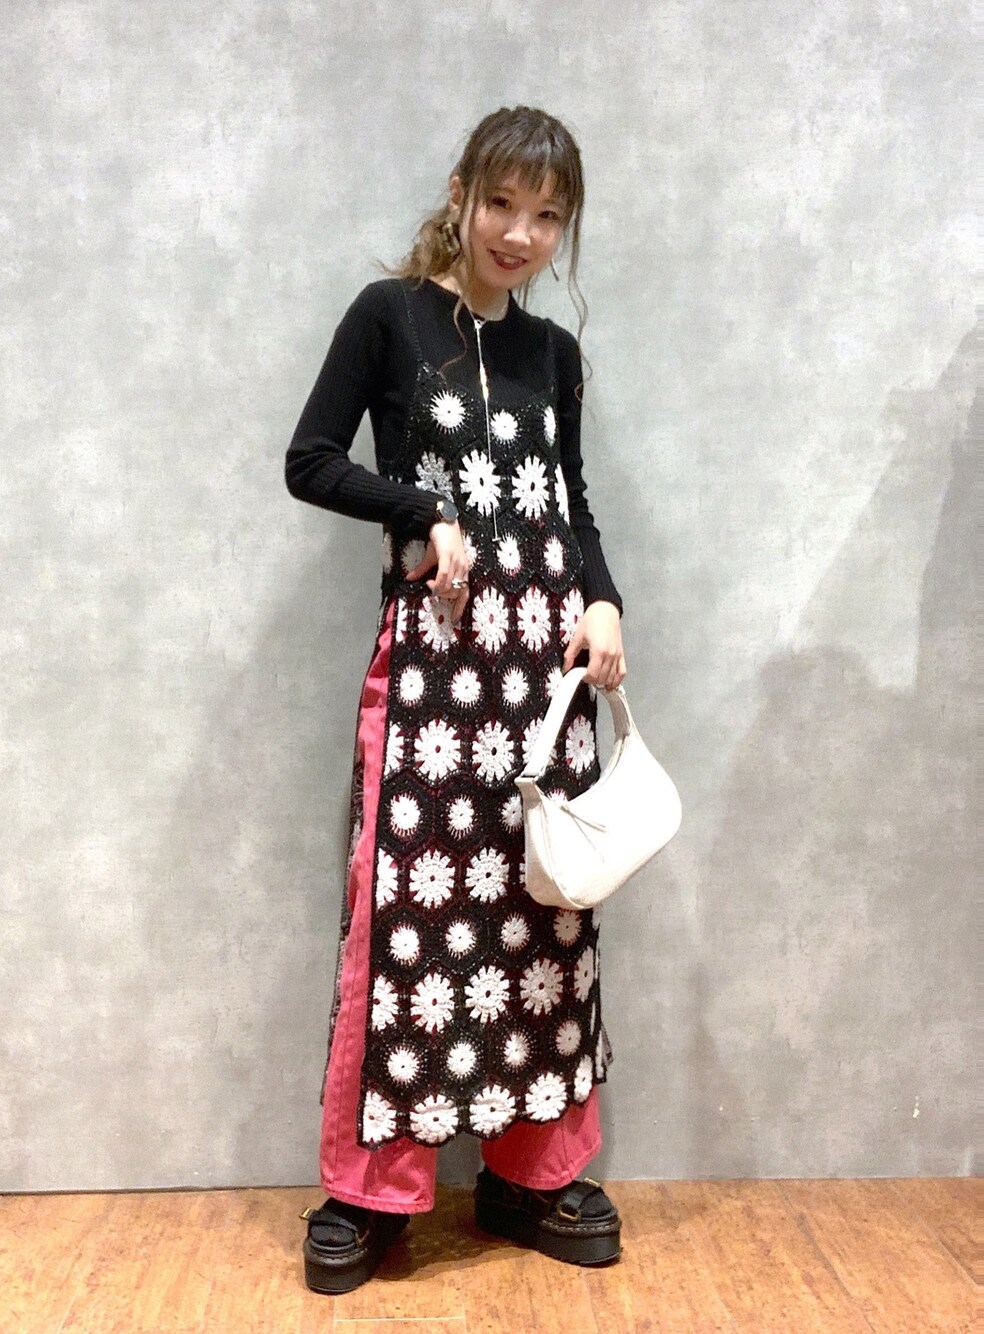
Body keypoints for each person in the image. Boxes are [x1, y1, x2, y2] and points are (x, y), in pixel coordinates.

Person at [285, 105, 627, 1294]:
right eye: (502, 203)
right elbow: (310, 458)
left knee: (543, 917)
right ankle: (372, 1191)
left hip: (542, 678)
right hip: (433, 673)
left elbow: (569, 500)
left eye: (546, 216)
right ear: (461, 192)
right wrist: (420, 513)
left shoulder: (555, 355)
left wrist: (602, 600)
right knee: (409, 919)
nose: (518, 233)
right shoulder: (387, 317)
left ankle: (532, 1175)